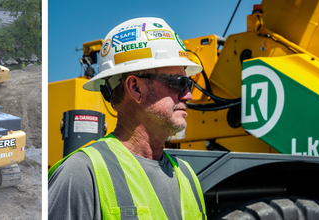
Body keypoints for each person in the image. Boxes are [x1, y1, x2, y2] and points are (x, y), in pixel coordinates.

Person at [46, 17, 206, 219]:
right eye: (179, 83)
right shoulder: (82, 173)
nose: (188, 95)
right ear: (136, 88)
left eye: (188, 84)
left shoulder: (187, 175)